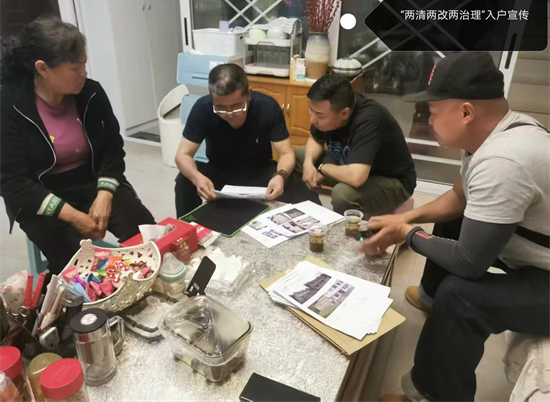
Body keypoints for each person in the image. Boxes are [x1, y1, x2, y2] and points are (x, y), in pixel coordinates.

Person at [360, 52, 550, 401]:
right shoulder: (496, 133)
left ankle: (428, 395)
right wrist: (405, 217)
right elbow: (459, 198)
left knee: (461, 297)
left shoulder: (502, 161)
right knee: (452, 221)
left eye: (433, 110)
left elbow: (468, 262)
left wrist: (407, 234)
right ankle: (430, 299)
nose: (428, 118)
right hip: (537, 252)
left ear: (465, 112)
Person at [0, 16, 155, 274]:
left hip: (91, 180)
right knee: (79, 268)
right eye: (75, 67)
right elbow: (13, 183)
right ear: (43, 68)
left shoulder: (91, 93)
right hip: (40, 194)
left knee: (149, 238)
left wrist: (104, 195)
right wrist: (72, 215)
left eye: (84, 63)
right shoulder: (10, 105)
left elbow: (113, 150)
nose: (84, 72)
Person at [174, 63, 316, 217]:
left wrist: (280, 176)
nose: (229, 114)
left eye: (236, 106)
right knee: (184, 179)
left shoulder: (267, 107)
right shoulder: (203, 108)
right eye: (221, 108)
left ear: (249, 94)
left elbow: (286, 153)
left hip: (260, 171)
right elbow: (182, 155)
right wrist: (197, 178)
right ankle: (185, 226)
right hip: (219, 172)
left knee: (299, 185)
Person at [294, 73, 416, 215]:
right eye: (311, 109)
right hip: (350, 165)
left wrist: (323, 168)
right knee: (295, 156)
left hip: (391, 180)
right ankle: (309, 211)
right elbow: (316, 139)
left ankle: (344, 227)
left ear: (344, 113)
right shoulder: (330, 109)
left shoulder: (369, 119)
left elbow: (356, 177)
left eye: (319, 115)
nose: (312, 120)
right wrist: (308, 164)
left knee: (343, 194)